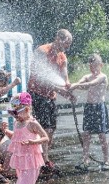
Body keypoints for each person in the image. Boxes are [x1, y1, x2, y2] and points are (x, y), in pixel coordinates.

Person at [28, 29, 75, 171]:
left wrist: (68, 89)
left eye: (68, 45)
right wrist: (61, 90)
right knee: (42, 128)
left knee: (52, 129)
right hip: (37, 94)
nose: (66, 47)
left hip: (50, 97)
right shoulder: (42, 51)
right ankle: (42, 160)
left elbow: (64, 77)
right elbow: (39, 77)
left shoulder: (63, 57)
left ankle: (43, 157)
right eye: (66, 43)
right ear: (57, 38)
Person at [6, 93, 50, 184]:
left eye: (17, 113)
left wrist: (33, 141)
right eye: (13, 113)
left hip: (32, 161)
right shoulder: (17, 123)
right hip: (22, 161)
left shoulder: (32, 123)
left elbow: (46, 137)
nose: (15, 116)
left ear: (27, 109)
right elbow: (16, 137)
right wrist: (6, 131)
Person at [68, 53, 109, 171]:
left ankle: (106, 160)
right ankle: (85, 160)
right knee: (86, 134)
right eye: (91, 66)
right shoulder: (87, 76)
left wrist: (75, 85)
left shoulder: (103, 77)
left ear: (101, 65)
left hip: (99, 107)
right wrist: (74, 85)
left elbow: (92, 84)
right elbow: (82, 82)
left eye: (95, 66)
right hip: (89, 107)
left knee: (102, 135)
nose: (93, 69)